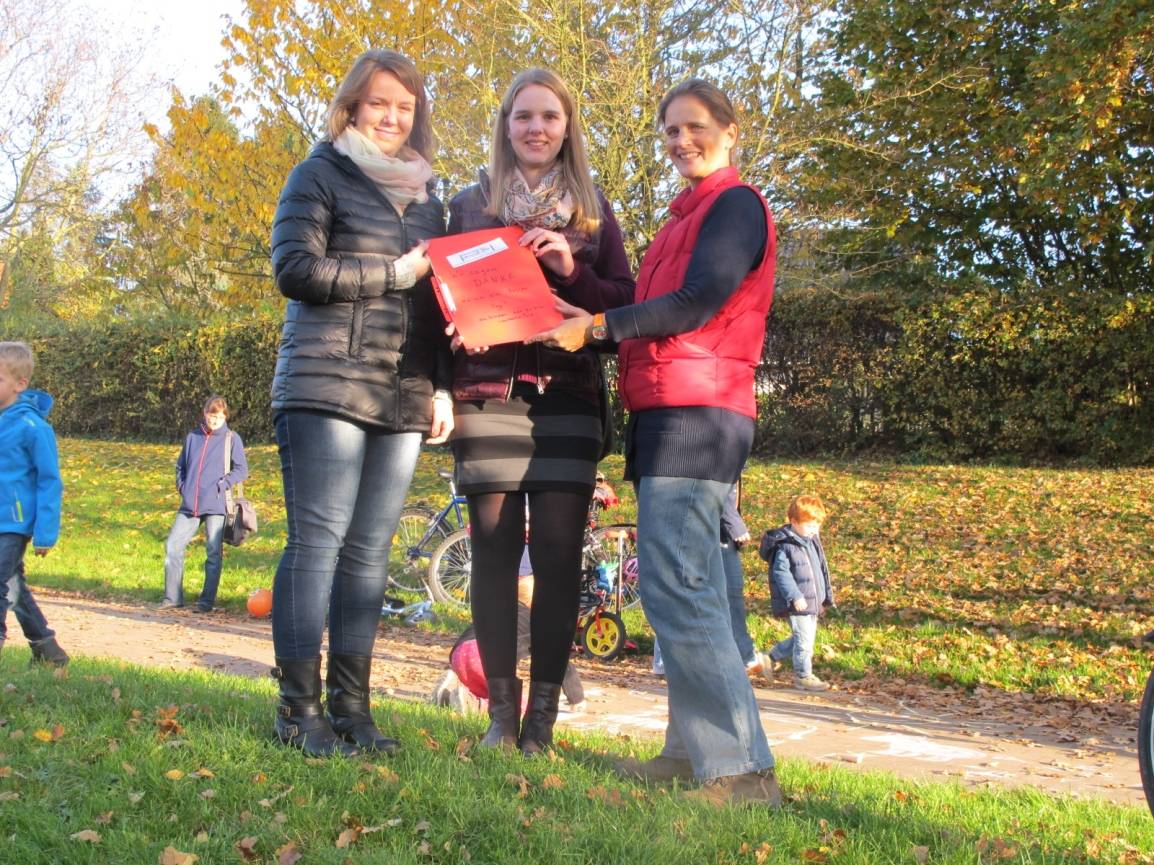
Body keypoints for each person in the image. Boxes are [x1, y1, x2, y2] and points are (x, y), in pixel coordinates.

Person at [529, 79, 780, 804]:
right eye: (669, 131)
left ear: (730, 131)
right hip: (667, 410)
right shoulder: (681, 219)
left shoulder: (734, 205)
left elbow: (698, 303)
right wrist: (571, 316)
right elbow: (649, 316)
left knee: (679, 585)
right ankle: (691, 751)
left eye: (694, 128)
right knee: (694, 586)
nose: (680, 142)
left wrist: (599, 327)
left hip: (699, 414)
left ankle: (739, 771)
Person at [268, 49, 453, 758]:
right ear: (352, 106)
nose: (392, 117)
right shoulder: (318, 174)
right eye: (380, 103)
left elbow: (436, 305)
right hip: (326, 384)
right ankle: (299, 710)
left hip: (402, 392)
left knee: (371, 553)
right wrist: (391, 271)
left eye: (405, 107)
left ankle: (353, 708)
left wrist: (440, 384)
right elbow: (295, 269)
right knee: (319, 543)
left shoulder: (428, 196)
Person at [447, 68, 634, 754]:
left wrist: (570, 271)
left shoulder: (593, 212)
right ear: (505, 125)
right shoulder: (469, 207)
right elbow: (440, 295)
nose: (536, 127)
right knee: (494, 554)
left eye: (549, 116)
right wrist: (451, 339)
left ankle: (542, 723)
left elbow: (621, 304)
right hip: (489, 394)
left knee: (556, 558)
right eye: (523, 115)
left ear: (567, 127)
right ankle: (501, 714)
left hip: (567, 396)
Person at [431, 548, 585, 714]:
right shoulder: (536, 620)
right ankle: (474, 705)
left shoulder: (496, 607)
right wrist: (577, 697)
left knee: (484, 683)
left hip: (459, 654)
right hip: (484, 659)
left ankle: (452, 686)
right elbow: (557, 660)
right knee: (520, 704)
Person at [0, 341, 69, 667]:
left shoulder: (33, 427)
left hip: (13, 524)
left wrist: (45, 532)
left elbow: (49, 481)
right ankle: (47, 650)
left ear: (20, 383)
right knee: (13, 586)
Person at [160, 396, 248, 612]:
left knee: (213, 552)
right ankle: (172, 598)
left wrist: (222, 484)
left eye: (219, 416)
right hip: (190, 504)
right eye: (211, 415)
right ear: (205, 414)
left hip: (216, 505)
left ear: (224, 416)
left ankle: (206, 602)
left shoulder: (231, 438)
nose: (214, 420)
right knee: (173, 546)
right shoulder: (193, 437)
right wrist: (183, 487)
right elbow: (180, 467)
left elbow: (241, 469)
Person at [758, 495, 834, 691]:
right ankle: (803, 676)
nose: (814, 530)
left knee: (804, 638)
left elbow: (820, 570)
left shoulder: (811, 542)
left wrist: (823, 598)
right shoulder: (785, 546)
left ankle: (770, 657)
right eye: (809, 526)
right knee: (804, 641)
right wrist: (795, 596)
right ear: (794, 522)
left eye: (817, 526)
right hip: (798, 601)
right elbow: (780, 573)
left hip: (811, 600)